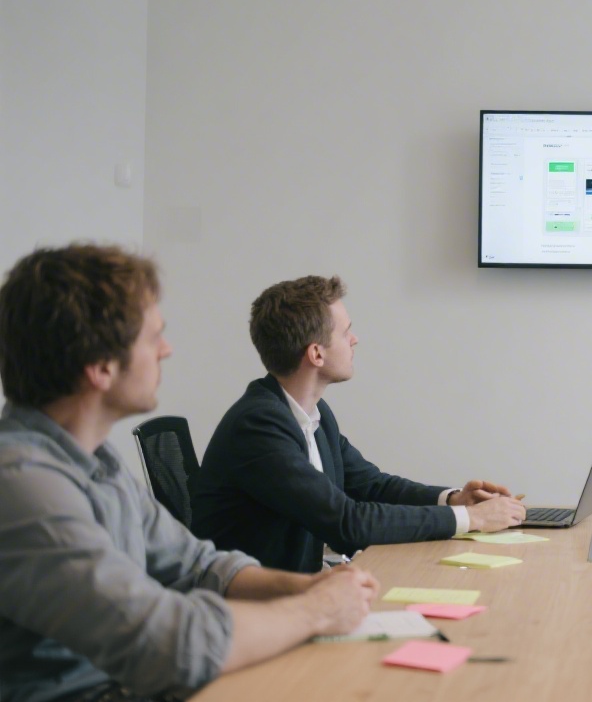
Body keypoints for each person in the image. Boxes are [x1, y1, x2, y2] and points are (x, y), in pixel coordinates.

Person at [0, 245, 377, 702]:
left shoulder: (97, 460)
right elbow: (166, 645)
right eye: (152, 337)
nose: (167, 349)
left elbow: (199, 565)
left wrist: (310, 587)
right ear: (100, 367)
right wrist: (313, 611)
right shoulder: (21, 485)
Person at [190, 275, 526, 573]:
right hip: (256, 613)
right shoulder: (259, 425)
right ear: (316, 354)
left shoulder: (313, 415)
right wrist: (473, 520)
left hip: (301, 591)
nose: (355, 340)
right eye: (345, 332)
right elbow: (348, 523)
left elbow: (372, 486)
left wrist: (454, 501)